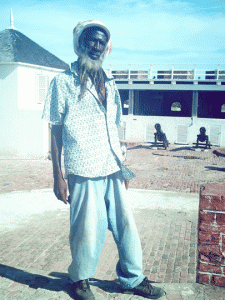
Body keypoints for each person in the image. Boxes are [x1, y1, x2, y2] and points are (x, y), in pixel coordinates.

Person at [42, 20, 165, 300]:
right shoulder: (62, 82)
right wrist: (57, 177)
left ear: (106, 47)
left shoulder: (110, 81)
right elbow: (55, 130)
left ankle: (132, 279)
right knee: (88, 229)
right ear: (80, 44)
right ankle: (79, 280)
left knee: (126, 226)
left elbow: (113, 128)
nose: (96, 46)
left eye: (101, 41)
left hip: (111, 166)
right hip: (83, 168)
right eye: (91, 40)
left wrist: (122, 166)